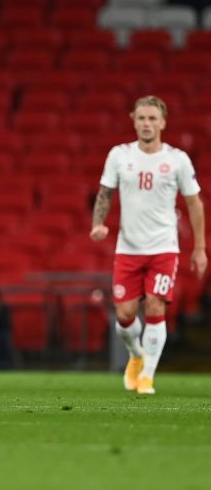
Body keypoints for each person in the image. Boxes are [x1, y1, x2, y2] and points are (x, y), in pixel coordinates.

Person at [90, 95, 206, 395]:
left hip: (164, 248)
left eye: (152, 118)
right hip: (128, 249)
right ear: (133, 120)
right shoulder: (119, 155)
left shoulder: (177, 159)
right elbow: (105, 192)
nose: (146, 123)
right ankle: (137, 356)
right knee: (125, 316)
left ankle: (147, 377)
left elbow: (194, 203)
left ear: (163, 123)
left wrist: (199, 247)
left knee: (156, 305)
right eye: (142, 118)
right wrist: (98, 224)